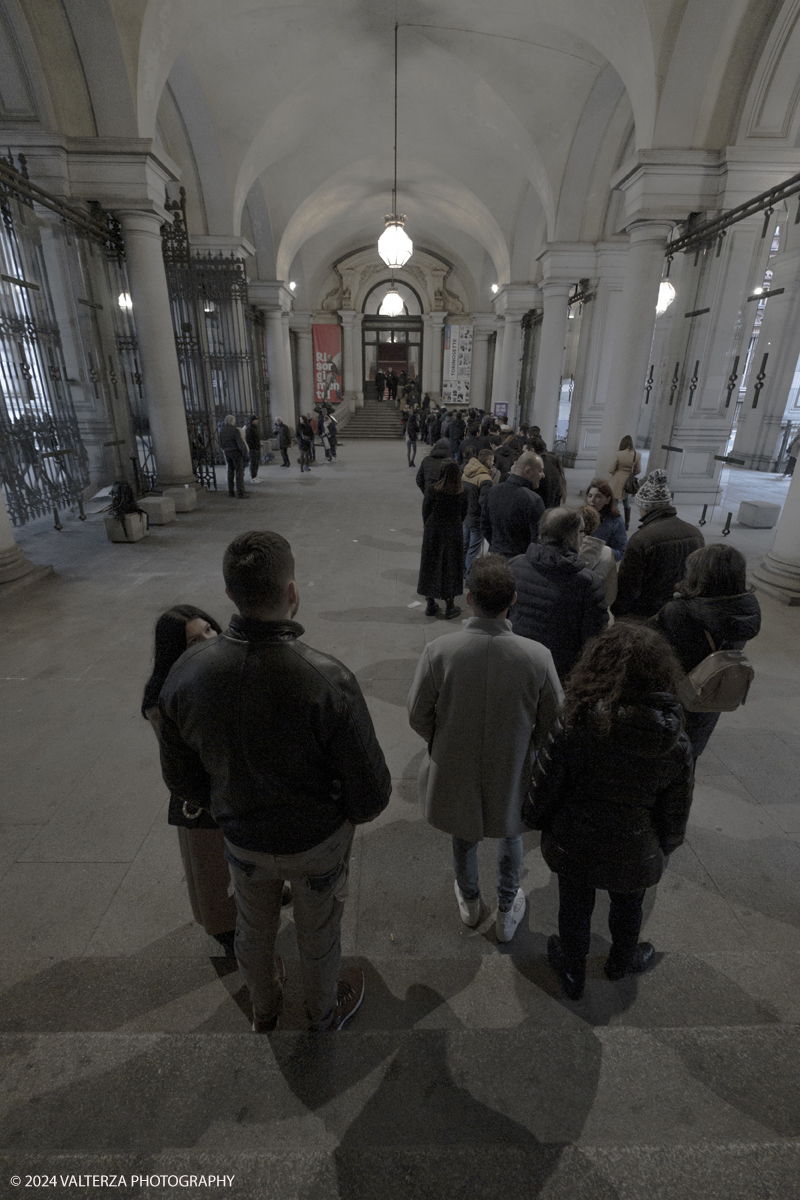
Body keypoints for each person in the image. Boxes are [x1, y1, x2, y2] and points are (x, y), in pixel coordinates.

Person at [159, 531, 391, 1032]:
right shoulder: (327, 679)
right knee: (319, 930)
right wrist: (340, 813)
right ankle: (323, 1010)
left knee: (253, 926)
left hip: (241, 837)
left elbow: (181, 777)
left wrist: (224, 802)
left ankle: (263, 1009)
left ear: (229, 596)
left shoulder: (186, 671)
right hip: (316, 842)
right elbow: (372, 792)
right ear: (291, 592)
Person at [523, 623, 694, 1001]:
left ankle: (571, 970)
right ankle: (621, 961)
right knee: (630, 904)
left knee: (574, 906)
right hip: (637, 846)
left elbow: (545, 784)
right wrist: (663, 847)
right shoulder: (676, 741)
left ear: (599, 665)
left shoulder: (576, 722)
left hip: (575, 839)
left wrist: (537, 819)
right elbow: (675, 811)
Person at [408, 555, 563, 942]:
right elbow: (554, 721)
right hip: (512, 762)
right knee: (511, 833)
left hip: (455, 760)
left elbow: (417, 713)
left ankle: (471, 900)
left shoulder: (439, 651)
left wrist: (439, 738)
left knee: (463, 833)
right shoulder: (537, 656)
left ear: (468, 597)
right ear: (513, 598)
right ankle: (508, 907)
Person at [142, 605, 237, 956]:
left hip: (235, 788)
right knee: (213, 874)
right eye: (194, 640)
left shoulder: (226, 669)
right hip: (204, 797)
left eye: (210, 630)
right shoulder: (164, 700)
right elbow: (184, 764)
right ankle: (228, 934)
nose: (208, 641)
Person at [651, 544, 761, 760]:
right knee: (693, 744)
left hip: (677, 692)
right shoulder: (747, 609)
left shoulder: (679, 612)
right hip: (714, 690)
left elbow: (656, 652)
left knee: (667, 749)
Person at [509, 507, 608, 680]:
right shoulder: (587, 583)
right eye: (581, 532)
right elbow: (594, 639)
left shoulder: (515, 565)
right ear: (572, 538)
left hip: (516, 659)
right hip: (559, 671)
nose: (583, 537)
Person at [613, 469, 705, 620]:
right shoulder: (696, 533)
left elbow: (628, 585)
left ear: (644, 507)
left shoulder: (641, 539)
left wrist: (620, 613)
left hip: (645, 614)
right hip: (680, 612)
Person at [418, 460, 468, 619]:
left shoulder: (432, 490)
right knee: (451, 566)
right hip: (453, 532)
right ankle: (450, 605)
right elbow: (463, 514)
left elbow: (425, 511)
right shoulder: (462, 492)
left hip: (434, 531)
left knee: (430, 564)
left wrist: (429, 527)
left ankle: (430, 603)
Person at [481, 451, 545, 558]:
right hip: (520, 562)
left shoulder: (492, 491)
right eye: (540, 471)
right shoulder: (533, 500)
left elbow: (484, 526)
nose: (543, 475)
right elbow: (537, 540)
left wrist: (497, 547)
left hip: (495, 558)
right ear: (528, 471)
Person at [577, 503, 618, 609]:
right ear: (596, 526)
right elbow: (610, 591)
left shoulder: (563, 551)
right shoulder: (608, 553)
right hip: (593, 609)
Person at [462, 448, 495, 573]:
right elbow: (484, 502)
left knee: (464, 546)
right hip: (477, 518)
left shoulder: (466, 472)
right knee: (474, 549)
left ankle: (461, 572)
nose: (493, 463)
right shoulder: (485, 479)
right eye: (492, 461)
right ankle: (469, 577)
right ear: (487, 461)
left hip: (465, 515)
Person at [586, 479, 626, 560]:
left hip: (600, 563)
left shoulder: (615, 521)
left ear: (607, 500)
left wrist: (598, 549)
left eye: (598, 496)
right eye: (590, 496)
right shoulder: (581, 515)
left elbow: (621, 552)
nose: (592, 500)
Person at [608, 435, 642, 530]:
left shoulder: (618, 454)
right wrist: (631, 473)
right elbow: (638, 470)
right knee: (626, 503)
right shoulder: (637, 455)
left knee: (614, 502)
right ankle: (626, 524)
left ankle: (615, 521)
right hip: (628, 482)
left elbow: (611, 470)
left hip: (616, 480)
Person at [219, 414, 249, 498]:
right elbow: (240, 444)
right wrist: (245, 455)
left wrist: (225, 449)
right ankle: (240, 493)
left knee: (230, 472)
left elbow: (221, 443)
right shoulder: (235, 431)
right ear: (232, 421)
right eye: (234, 420)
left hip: (227, 453)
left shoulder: (222, 430)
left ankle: (231, 492)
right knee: (239, 473)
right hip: (236, 453)